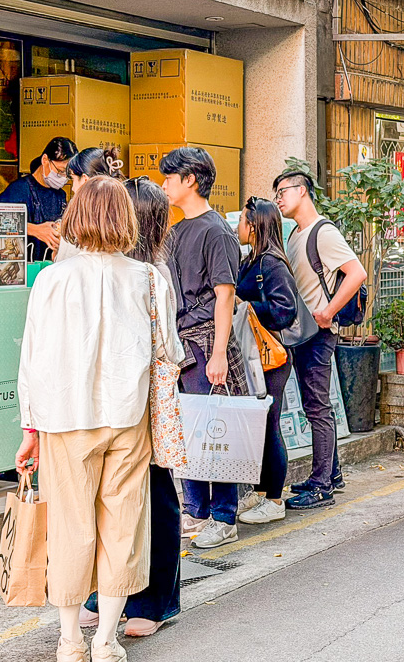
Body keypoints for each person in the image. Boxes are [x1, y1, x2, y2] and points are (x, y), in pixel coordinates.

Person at [14, 176, 182, 662]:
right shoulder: (149, 278)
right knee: (122, 526)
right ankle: (106, 639)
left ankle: (70, 640)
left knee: (70, 526)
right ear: (126, 218)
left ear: (76, 218)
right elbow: (169, 351)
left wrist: (29, 429)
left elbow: (32, 360)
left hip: (64, 418)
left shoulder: (52, 279)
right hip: (128, 418)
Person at [80, 177, 184, 636]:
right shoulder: (94, 269)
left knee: (153, 494)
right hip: (101, 401)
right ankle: (105, 593)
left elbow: (167, 346)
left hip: (140, 402)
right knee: (107, 498)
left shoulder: (153, 275)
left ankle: (154, 600)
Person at [160, 146, 248, 549]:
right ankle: (196, 511)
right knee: (191, 432)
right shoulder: (176, 230)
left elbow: (225, 295)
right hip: (183, 342)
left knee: (216, 431)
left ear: (190, 180)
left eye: (169, 177)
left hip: (207, 341)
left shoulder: (216, 231)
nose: (164, 185)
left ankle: (224, 517)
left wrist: (218, 354)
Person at [273, 169, 367, 509]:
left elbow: (357, 273)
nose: (278, 199)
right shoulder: (296, 235)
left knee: (317, 408)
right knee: (316, 405)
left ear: (302, 191)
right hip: (304, 333)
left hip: (318, 334)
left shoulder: (322, 232)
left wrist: (328, 312)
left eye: (282, 192)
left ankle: (321, 486)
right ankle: (332, 473)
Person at [235, 197, 298, 524]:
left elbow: (286, 310)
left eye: (242, 221)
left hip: (271, 356)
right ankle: (260, 492)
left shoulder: (271, 263)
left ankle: (274, 499)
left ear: (254, 226)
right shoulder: (252, 259)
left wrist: (246, 306)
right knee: (258, 424)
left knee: (270, 424)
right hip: (255, 354)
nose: (238, 226)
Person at [0, 137, 76, 262]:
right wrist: (34, 229)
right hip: (24, 266)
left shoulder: (60, 195)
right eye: (60, 171)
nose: (64, 178)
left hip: (49, 265)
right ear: (45, 160)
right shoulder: (19, 190)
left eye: (68, 175)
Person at [56, 147, 126, 263]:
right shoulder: (125, 212)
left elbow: (64, 265)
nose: (73, 188)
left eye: (73, 179)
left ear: (84, 179)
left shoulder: (77, 220)